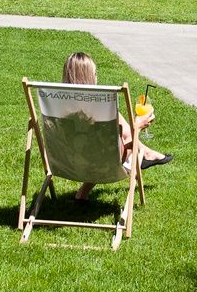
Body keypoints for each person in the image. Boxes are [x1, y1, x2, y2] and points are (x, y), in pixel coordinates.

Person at [62, 51, 171, 201]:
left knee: (114, 138)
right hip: (101, 164)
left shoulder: (57, 105)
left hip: (66, 163)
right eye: (95, 73)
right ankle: (145, 153)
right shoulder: (99, 108)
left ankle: (82, 193)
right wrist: (138, 126)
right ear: (88, 78)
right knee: (130, 147)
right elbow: (114, 152)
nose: (97, 76)